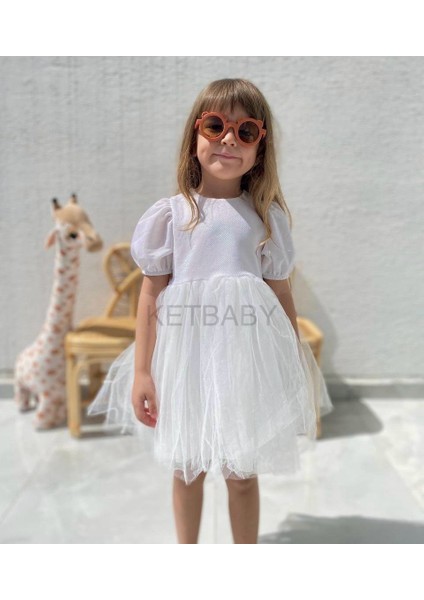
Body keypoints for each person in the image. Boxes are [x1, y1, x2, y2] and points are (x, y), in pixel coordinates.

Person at [87, 78, 334, 544]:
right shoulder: (172, 215)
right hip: (185, 363)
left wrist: (291, 358)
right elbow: (150, 296)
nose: (228, 140)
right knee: (187, 467)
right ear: (195, 135)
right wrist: (142, 371)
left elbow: (280, 292)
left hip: (243, 363)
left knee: (241, 472)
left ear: (260, 149)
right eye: (216, 125)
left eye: (246, 131)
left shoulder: (264, 218)